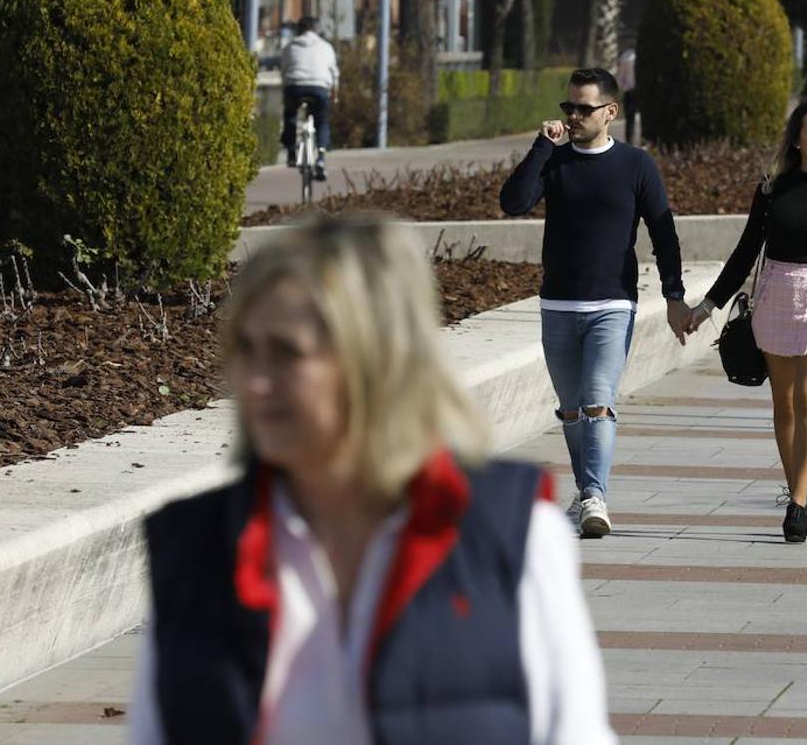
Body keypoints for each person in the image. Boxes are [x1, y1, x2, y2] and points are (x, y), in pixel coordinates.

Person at [128, 215, 616, 745]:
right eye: (246, 349)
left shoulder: (513, 535)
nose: (256, 381)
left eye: (287, 353)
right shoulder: (195, 547)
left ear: (378, 361)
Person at [499, 68, 692, 539]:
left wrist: (674, 295)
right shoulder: (556, 160)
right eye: (569, 107)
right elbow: (514, 202)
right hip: (558, 306)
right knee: (569, 409)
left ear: (611, 112)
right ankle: (588, 492)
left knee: (597, 403)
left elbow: (663, 232)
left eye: (585, 108)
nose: (575, 116)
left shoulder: (635, 165)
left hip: (612, 303)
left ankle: (594, 497)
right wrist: (542, 146)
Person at [686, 99, 807, 543]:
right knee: (785, 403)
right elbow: (746, 249)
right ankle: (801, 490)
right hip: (778, 293)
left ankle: (796, 502)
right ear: (797, 140)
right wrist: (708, 306)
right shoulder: (773, 188)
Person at [279, 16, 339, 181]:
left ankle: (291, 152)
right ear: (316, 29)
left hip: (294, 86)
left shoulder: (289, 47)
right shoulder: (326, 47)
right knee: (322, 122)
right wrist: (334, 93)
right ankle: (320, 158)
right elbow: (334, 73)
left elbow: (283, 70)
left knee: (290, 114)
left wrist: (286, 87)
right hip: (319, 88)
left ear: (298, 30)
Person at [617, 47, 639, 143]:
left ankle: (630, 141)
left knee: (630, 118)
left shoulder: (626, 56)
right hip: (635, 91)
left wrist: (618, 88)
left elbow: (621, 75)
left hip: (630, 90)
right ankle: (642, 141)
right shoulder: (627, 56)